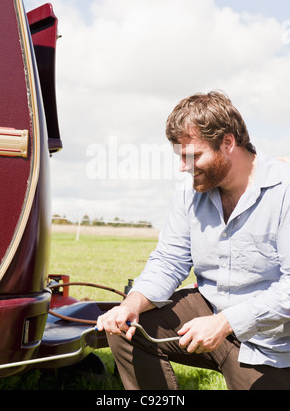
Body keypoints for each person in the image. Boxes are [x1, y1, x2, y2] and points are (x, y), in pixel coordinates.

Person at [96, 90, 290, 390]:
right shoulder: (189, 195)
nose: (184, 167)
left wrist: (225, 323)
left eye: (193, 155)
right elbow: (169, 261)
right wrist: (131, 304)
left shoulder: (284, 191)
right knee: (126, 328)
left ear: (228, 142)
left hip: (271, 344)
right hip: (210, 313)